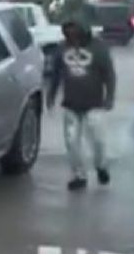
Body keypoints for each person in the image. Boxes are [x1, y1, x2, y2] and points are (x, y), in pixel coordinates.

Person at [47, 19, 116, 191]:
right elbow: (55, 74)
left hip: (95, 103)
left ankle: (101, 166)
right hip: (71, 104)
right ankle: (79, 175)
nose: (71, 33)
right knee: (71, 142)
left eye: (74, 29)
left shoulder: (98, 47)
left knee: (98, 140)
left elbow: (109, 74)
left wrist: (110, 97)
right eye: (68, 30)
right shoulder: (62, 48)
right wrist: (51, 96)